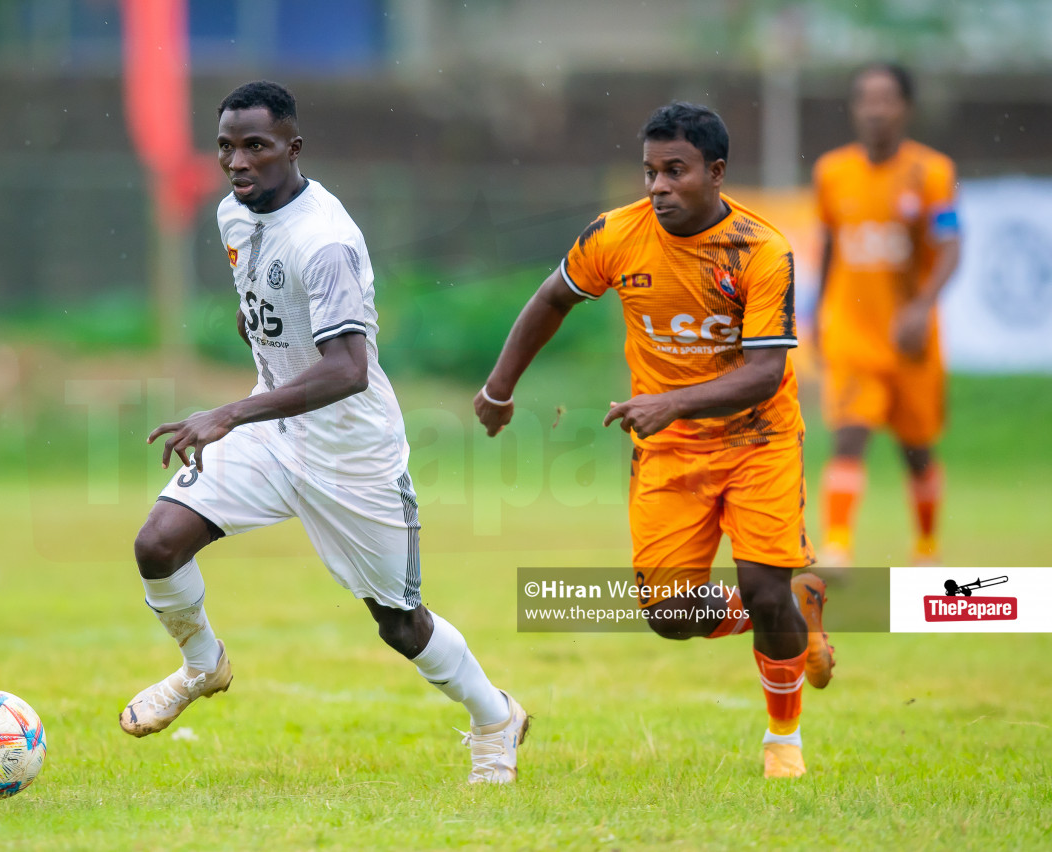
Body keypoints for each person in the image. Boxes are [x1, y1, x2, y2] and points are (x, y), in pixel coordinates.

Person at [120, 81, 529, 784]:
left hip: (350, 452)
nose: (238, 161)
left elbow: (346, 368)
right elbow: (264, 311)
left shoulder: (327, 240)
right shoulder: (232, 216)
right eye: (226, 146)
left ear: (293, 149)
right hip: (273, 431)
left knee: (399, 623)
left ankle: (495, 717)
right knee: (157, 544)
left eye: (256, 146)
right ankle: (201, 666)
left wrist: (224, 414)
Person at [475, 102, 834, 778]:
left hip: (759, 442)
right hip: (670, 452)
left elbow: (765, 374)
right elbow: (552, 298)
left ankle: (783, 740)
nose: (658, 186)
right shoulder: (615, 235)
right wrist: (499, 389)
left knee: (763, 589)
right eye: (649, 172)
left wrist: (671, 401)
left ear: (716, 172)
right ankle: (797, 607)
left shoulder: (763, 250)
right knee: (669, 614)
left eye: (676, 171)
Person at [813, 63, 961, 569]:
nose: (875, 109)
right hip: (853, 333)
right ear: (855, 108)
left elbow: (951, 247)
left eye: (886, 99)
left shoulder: (932, 172)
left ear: (905, 107)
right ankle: (836, 548)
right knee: (848, 435)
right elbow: (830, 247)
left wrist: (921, 308)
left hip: (911, 338)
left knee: (917, 448)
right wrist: (815, 317)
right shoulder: (831, 172)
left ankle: (925, 549)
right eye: (865, 99)